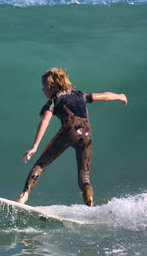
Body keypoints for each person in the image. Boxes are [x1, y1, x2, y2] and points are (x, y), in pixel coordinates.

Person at [16, 68, 127, 206]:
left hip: (70, 131)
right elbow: (105, 96)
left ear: (52, 87)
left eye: (44, 86)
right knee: (85, 179)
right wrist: (120, 96)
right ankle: (90, 207)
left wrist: (35, 146)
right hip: (87, 134)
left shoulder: (53, 101)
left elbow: (45, 121)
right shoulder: (80, 94)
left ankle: (23, 197)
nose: (43, 89)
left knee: (41, 164)